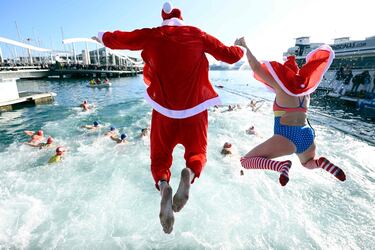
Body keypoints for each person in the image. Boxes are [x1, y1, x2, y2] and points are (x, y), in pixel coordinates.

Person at [93, 1, 243, 234]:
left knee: (160, 159)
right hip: (195, 110)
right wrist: (240, 47)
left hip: (163, 112)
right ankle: (188, 173)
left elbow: (124, 38)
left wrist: (103, 38)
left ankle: (164, 186)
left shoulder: (153, 35)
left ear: (163, 18)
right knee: (197, 153)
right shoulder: (197, 34)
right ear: (181, 18)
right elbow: (230, 56)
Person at [235, 37, 346, 186]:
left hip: (287, 136)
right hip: (307, 135)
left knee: (245, 162)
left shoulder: (281, 88)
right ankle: (321, 163)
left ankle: (280, 166)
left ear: (283, 76)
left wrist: (245, 47)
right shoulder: (306, 93)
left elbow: (255, 67)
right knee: (308, 163)